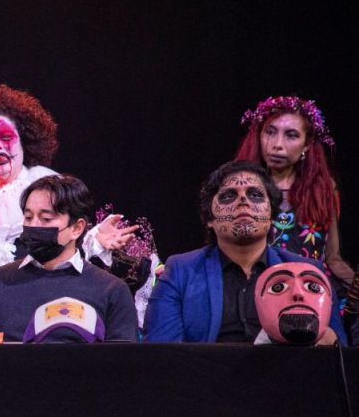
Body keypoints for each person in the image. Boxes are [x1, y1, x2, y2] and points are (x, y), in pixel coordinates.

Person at [0, 85, 138, 331]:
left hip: (29, 316)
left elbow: (60, 259)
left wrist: (92, 241)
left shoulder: (47, 191)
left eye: (5, 137)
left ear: (23, 142)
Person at [144, 161, 346, 344]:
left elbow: (339, 354)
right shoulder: (181, 271)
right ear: (209, 219)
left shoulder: (310, 271)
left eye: (255, 195)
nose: (243, 200)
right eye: (228, 196)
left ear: (272, 214)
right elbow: (162, 353)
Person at [0, 175, 137, 343]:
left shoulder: (111, 290)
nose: (34, 226)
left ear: (77, 228)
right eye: (28, 217)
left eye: (46, 219)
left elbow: (123, 365)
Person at [235, 96, 353, 289]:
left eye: (291, 135)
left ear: (307, 144)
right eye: (270, 132)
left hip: (310, 291)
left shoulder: (322, 188)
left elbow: (332, 258)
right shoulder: (241, 188)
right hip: (258, 290)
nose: (277, 144)